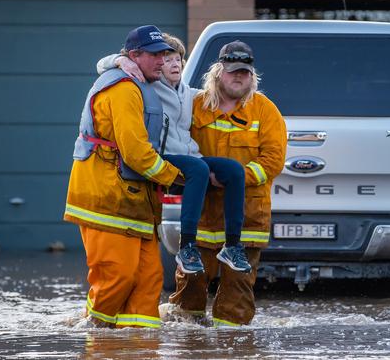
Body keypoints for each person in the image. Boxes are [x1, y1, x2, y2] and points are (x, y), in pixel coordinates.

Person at [97, 34, 252, 275]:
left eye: (179, 59)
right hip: (163, 156)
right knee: (198, 169)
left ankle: (232, 245)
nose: (174, 64)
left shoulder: (188, 93)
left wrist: (243, 82)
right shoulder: (147, 87)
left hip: (190, 157)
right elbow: (101, 65)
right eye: (167, 59)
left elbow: (224, 93)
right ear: (157, 64)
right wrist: (120, 60)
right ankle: (187, 246)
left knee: (233, 170)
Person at [64, 25, 182, 328]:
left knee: (148, 279)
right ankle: (96, 334)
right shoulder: (124, 89)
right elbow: (136, 153)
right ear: (133, 56)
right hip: (107, 199)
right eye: (155, 55)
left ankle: (139, 342)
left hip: (133, 202)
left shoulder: (138, 82)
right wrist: (176, 177)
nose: (161, 60)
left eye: (165, 54)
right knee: (116, 275)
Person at [167, 40, 287, 327]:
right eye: (232, 71)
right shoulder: (194, 106)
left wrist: (234, 178)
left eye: (244, 72)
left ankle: (235, 346)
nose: (238, 76)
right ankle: (189, 345)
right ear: (218, 71)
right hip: (203, 216)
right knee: (189, 290)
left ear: (252, 75)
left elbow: (273, 160)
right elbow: (174, 145)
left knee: (238, 295)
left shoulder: (265, 111)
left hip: (246, 217)